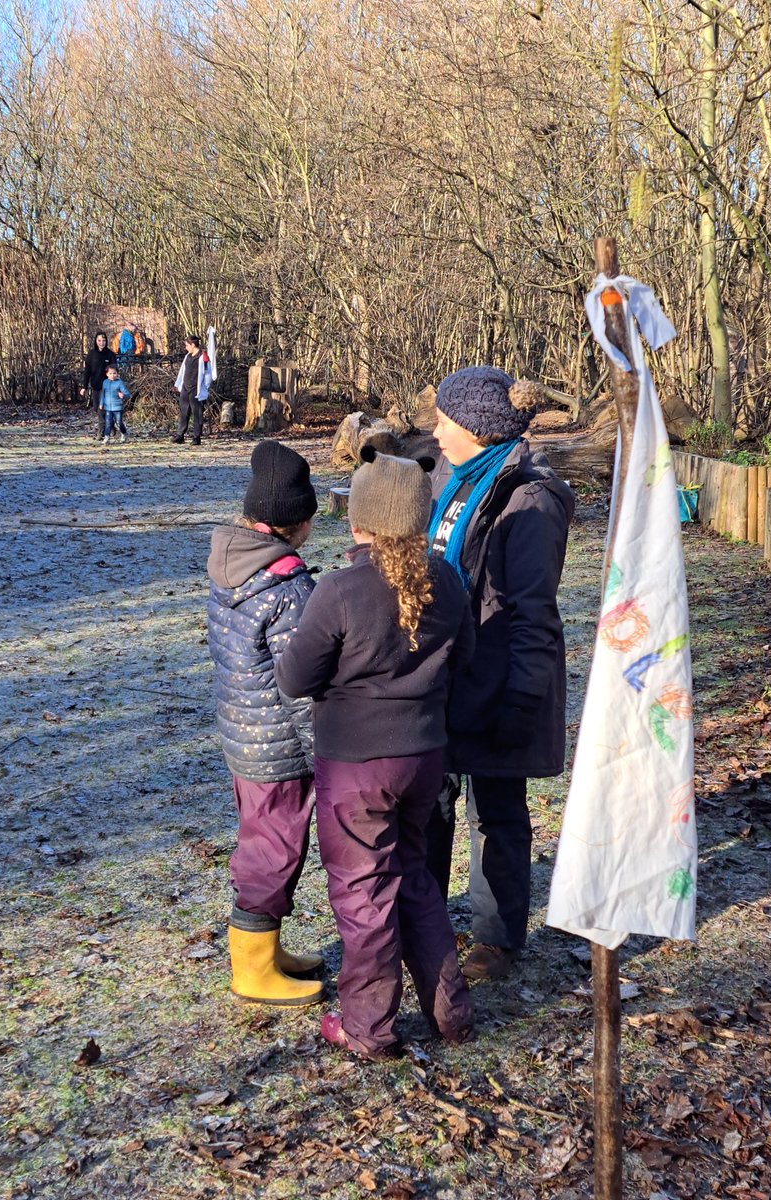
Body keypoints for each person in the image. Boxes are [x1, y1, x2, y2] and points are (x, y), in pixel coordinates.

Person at [276, 447, 475, 1059]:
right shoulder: (446, 579)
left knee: (365, 897)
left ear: (358, 523)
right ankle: (452, 1013)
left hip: (355, 768)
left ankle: (368, 1025)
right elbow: (463, 663)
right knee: (414, 880)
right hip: (424, 759)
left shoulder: (337, 590)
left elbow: (293, 678)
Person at [424, 366, 575, 982]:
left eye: (443, 420)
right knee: (430, 803)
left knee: (496, 810)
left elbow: (533, 615)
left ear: (475, 428)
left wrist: (520, 701)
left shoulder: (532, 501)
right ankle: (427, 920)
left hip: (499, 679)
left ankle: (497, 937)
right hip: (445, 675)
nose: (434, 431)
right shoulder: (450, 481)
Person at [207, 440, 322, 1006]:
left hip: (243, 738)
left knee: (263, 840)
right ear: (298, 523)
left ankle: (266, 948)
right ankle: (251, 968)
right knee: (274, 850)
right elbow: (301, 688)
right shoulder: (289, 590)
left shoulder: (231, 567)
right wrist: (325, 753)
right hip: (277, 749)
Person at [173, 336, 212, 445]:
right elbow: (183, 371)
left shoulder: (203, 357)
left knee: (197, 413)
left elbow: (208, 374)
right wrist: (180, 384)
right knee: (184, 412)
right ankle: (180, 435)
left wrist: (205, 387)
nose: (186, 348)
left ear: (193, 345)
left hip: (196, 389)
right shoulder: (187, 356)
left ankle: (196, 437)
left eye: (187, 345)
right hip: (186, 387)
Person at [80, 331, 115, 440]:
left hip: (107, 386)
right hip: (95, 385)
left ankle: (101, 432)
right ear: (96, 341)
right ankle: (112, 424)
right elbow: (87, 371)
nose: (102, 343)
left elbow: (114, 371)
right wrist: (84, 387)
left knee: (101, 409)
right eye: (99, 340)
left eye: (104, 340)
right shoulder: (91, 354)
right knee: (96, 408)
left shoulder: (110, 354)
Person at [99, 364, 130, 444]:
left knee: (119, 422)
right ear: (107, 374)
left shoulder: (119, 383)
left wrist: (123, 395)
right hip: (108, 407)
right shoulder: (105, 382)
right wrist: (101, 403)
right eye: (110, 373)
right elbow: (103, 394)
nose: (112, 375)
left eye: (114, 373)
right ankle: (107, 437)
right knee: (108, 423)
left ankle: (124, 434)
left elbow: (127, 394)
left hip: (117, 407)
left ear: (117, 374)